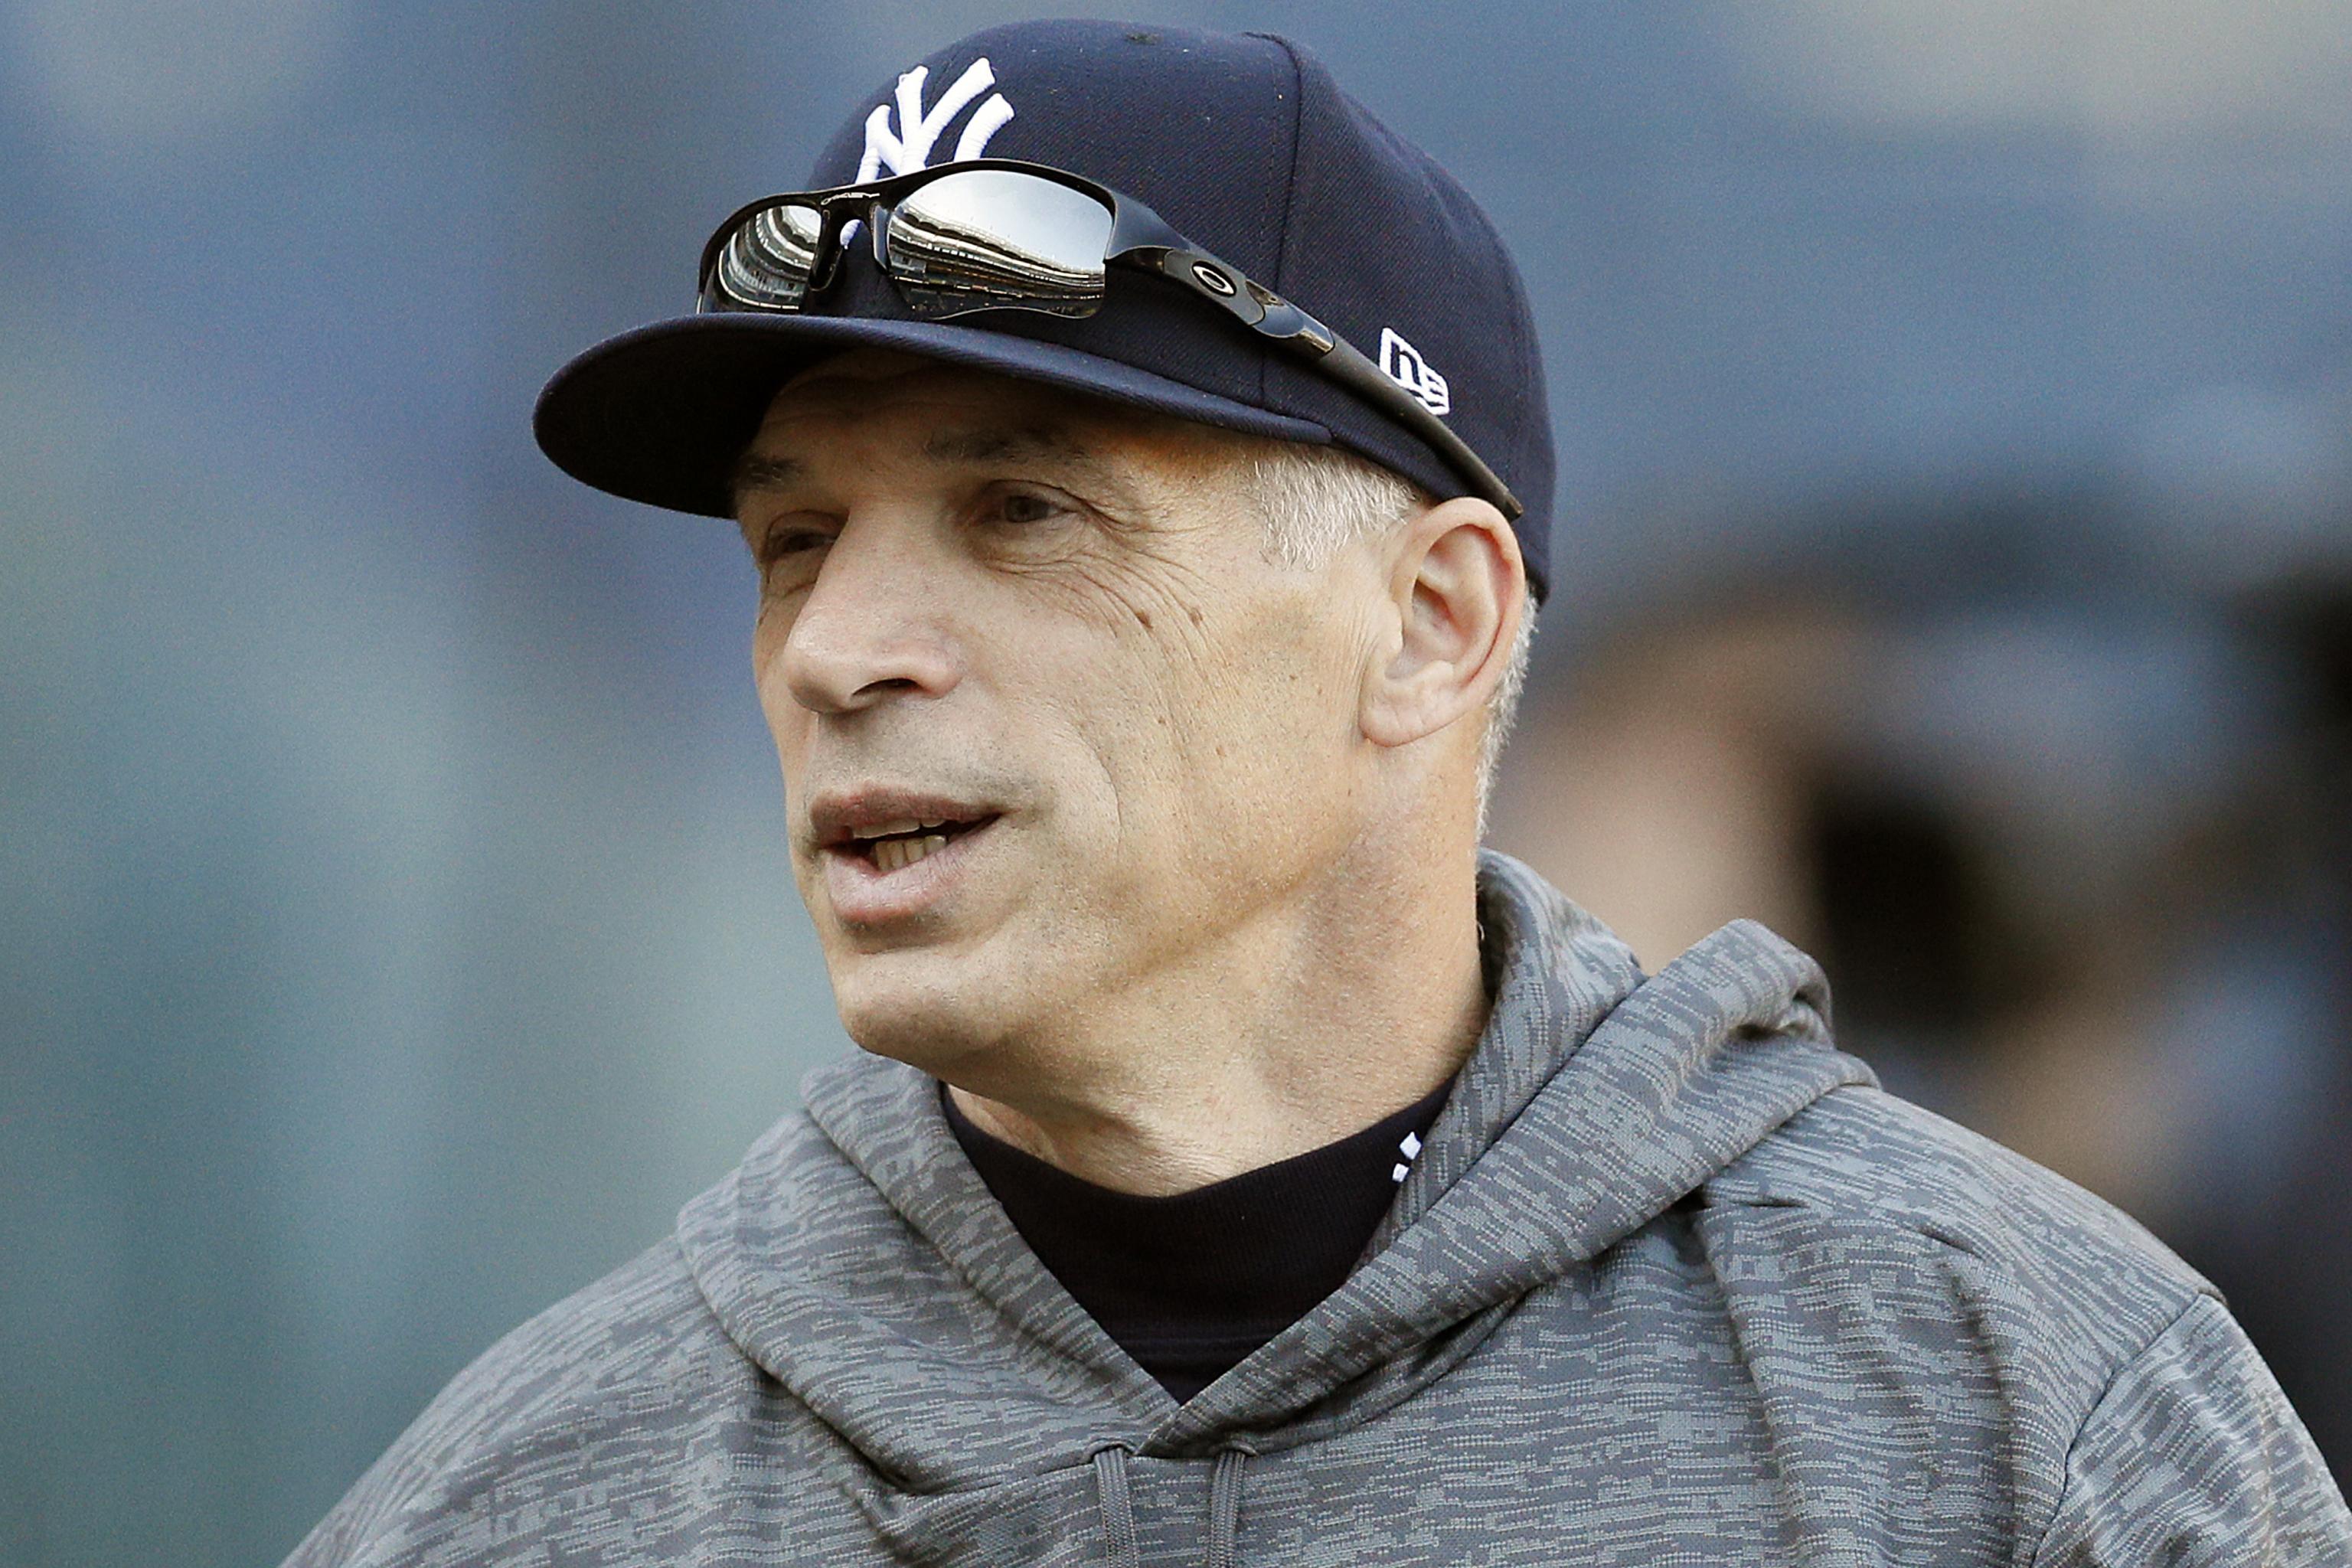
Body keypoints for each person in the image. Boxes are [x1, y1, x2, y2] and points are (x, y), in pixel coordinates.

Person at [286, 20, 2352, 1566]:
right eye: (795, 540)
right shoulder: (529, 1508)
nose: (835, 650)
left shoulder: (2017, 1414)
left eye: (1018, 510)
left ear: (1433, 627)